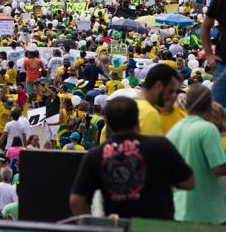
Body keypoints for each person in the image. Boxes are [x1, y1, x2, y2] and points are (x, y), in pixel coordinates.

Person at [70, 97, 194, 219]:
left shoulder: (96, 155)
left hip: (117, 228)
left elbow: (76, 201)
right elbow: (189, 183)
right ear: (137, 118)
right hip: (157, 228)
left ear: (107, 122)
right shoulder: (161, 145)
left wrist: (92, 227)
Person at [166, 85, 226, 223]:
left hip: (179, 211)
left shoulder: (174, 130)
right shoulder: (208, 129)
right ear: (210, 106)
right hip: (207, 214)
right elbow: (218, 168)